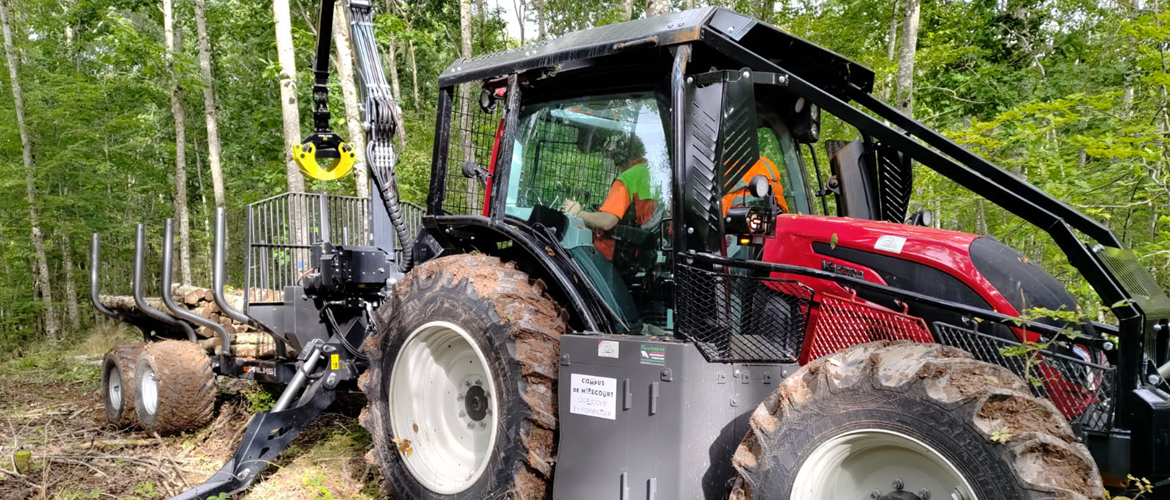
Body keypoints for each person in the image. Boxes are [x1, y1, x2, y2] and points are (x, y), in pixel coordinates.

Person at [561, 138, 658, 261]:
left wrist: (577, 212)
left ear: (623, 152)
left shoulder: (627, 178)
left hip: (612, 256)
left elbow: (607, 221)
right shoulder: (650, 174)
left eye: (616, 148)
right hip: (637, 254)